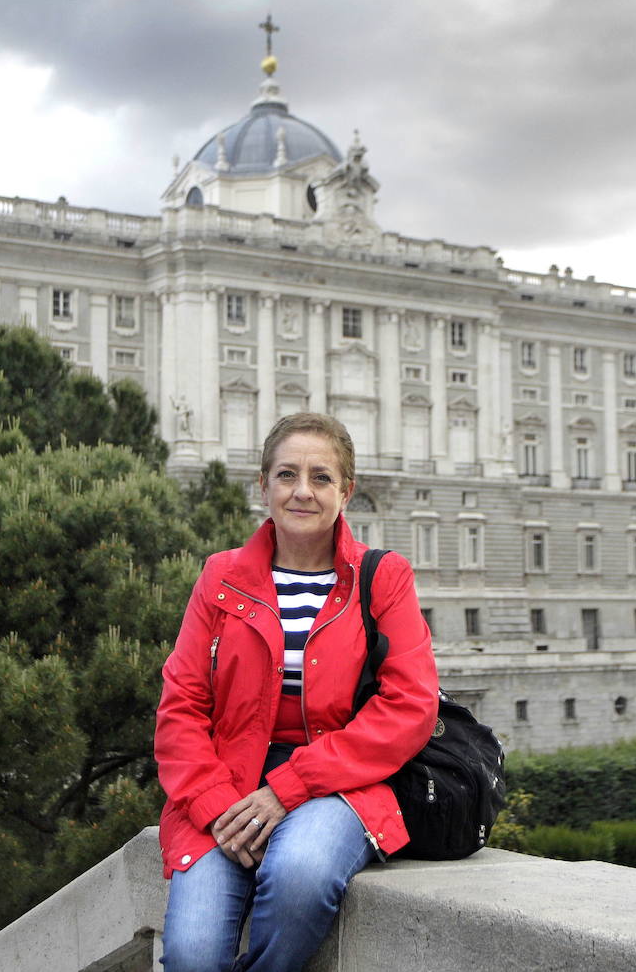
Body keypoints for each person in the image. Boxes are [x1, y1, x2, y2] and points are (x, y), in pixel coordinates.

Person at [155, 412, 439, 972]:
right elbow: (181, 704)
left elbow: (410, 705)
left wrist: (289, 788)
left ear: (346, 491)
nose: (302, 492)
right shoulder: (221, 577)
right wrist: (215, 808)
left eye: (321, 477)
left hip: (339, 781)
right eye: (286, 475)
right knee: (189, 953)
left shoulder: (382, 577)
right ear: (263, 486)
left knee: (299, 878)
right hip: (227, 781)